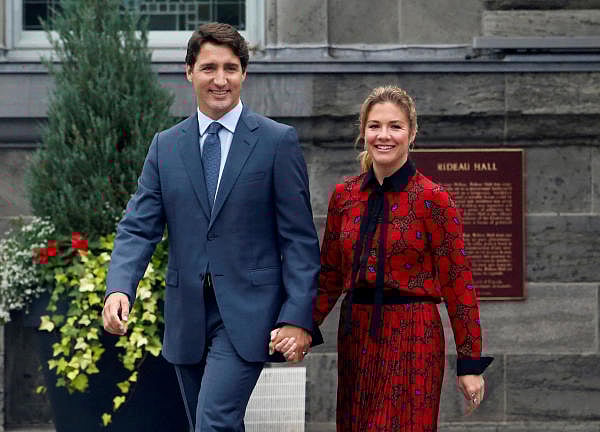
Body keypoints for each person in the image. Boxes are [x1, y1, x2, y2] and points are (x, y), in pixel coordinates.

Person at [102, 22, 321, 431]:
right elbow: (138, 227)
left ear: (244, 74)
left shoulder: (277, 142)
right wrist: (119, 287)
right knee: (211, 423)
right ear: (189, 72)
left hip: (248, 314)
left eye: (231, 68)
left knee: (214, 422)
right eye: (209, 68)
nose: (220, 79)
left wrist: (297, 316)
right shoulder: (165, 146)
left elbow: (299, 239)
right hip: (187, 317)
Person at [275, 85, 493, 431]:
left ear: (412, 133)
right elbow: (329, 275)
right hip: (357, 335)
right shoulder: (344, 196)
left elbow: (459, 285)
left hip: (415, 336)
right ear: (363, 132)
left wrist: (469, 364)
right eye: (375, 126)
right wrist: (300, 325)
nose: (384, 135)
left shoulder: (434, 199)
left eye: (395, 126)